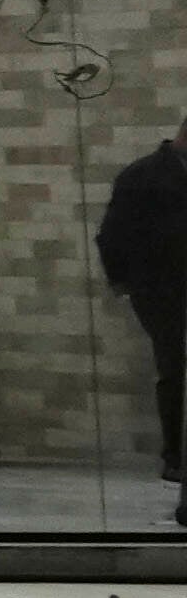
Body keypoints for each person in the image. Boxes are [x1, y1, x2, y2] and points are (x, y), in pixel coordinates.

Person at [112, 118, 187, 529]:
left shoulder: (144, 175)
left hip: (161, 288)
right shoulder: (143, 177)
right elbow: (114, 234)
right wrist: (127, 283)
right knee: (174, 370)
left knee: (174, 369)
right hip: (163, 290)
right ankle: (175, 456)